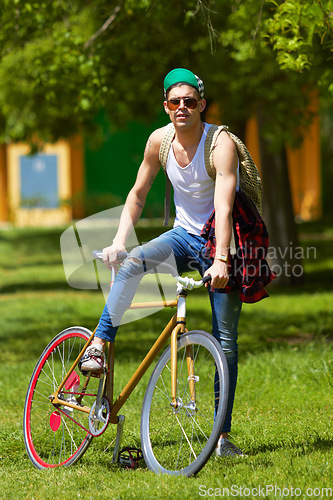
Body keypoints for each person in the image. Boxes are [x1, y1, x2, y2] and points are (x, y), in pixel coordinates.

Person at [80, 68, 263, 457]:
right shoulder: (158, 142)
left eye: (190, 101)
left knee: (225, 342)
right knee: (130, 264)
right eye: (175, 102)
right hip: (181, 236)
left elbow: (224, 205)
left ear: (202, 105)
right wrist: (117, 242)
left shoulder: (221, 143)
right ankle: (98, 343)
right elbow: (137, 192)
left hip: (219, 239)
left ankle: (222, 438)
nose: (183, 107)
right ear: (166, 107)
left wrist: (221, 260)